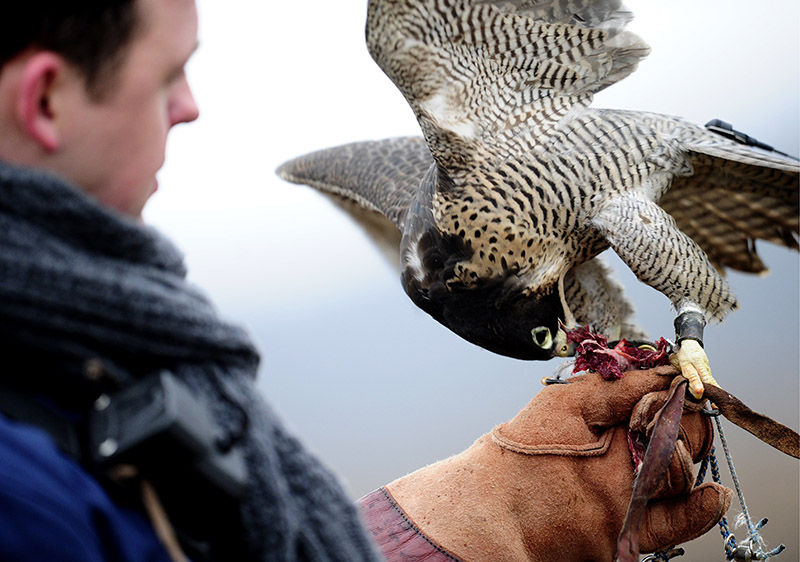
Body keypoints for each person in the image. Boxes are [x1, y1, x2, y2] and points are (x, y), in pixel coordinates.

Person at [0, 1, 730, 561]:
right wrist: (490, 521)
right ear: (45, 101)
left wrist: (482, 510)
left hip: (632, 165)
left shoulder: (99, 352)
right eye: (166, 75)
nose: (191, 107)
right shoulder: (25, 482)